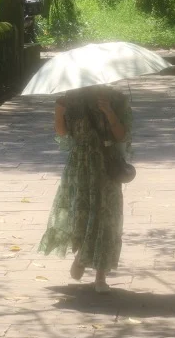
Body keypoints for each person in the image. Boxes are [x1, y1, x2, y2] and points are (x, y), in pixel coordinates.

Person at [38, 83, 131, 291]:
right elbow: (62, 133)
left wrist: (108, 111)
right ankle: (81, 255)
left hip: (107, 165)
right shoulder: (69, 100)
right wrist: (60, 112)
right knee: (81, 213)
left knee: (107, 217)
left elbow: (121, 135)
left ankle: (100, 277)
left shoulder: (116, 99)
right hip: (80, 165)